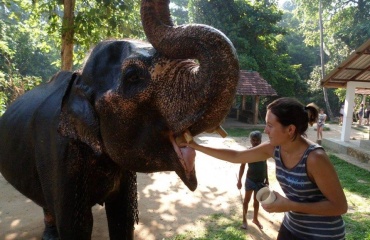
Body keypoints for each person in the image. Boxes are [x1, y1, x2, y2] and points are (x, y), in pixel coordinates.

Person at [181, 97, 347, 240]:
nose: (265, 130)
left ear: (290, 129)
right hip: (292, 227)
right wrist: (195, 145)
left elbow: (339, 207)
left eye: (270, 125)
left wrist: (289, 205)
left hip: (323, 234)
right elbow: (237, 157)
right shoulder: (274, 148)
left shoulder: (315, 158)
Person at [237, 130, 268, 230]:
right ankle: (244, 221)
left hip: (260, 181)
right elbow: (242, 167)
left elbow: (265, 165)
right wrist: (239, 180)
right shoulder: (247, 153)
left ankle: (255, 219)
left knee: (256, 201)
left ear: (260, 141)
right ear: (250, 140)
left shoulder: (263, 152)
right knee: (246, 201)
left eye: (257, 140)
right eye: (253, 140)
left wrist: (267, 179)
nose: (255, 142)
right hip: (250, 180)